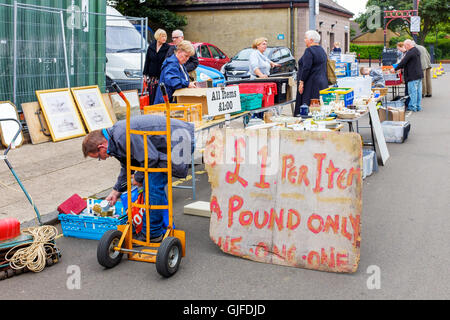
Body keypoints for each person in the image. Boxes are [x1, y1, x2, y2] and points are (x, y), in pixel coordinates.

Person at [82, 115, 194, 242]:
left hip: (180, 139)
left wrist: (139, 178)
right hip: (170, 142)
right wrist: (116, 191)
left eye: (98, 157)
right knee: (151, 185)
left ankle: (152, 234)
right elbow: (127, 165)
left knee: (152, 186)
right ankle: (161, 225)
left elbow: (150, 158)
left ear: (101, 147)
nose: (102, 159)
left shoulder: (121, 135)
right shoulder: (115, 139)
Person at [293, 30, 328, 116]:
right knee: (318, 106)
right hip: (321, 81)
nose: (304, 40)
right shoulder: (322, 50)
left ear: (311, 40)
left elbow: (306, 68)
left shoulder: (309, 50)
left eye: (305, 38)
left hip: (311, 83)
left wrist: (301, 81)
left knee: (309, 107)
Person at [154, 40, 197, 104]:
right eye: (186, 56)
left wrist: (190, 84)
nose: (187, 59)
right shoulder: (171, 64)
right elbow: (173, 81)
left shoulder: (180, 64)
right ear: (179, 52)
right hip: (166, 103)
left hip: (172, 102)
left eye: (189, 57)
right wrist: (187, 84)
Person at [394, 39, 423, 112]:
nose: (404, 47)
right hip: (418, 74)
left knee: (412, 92)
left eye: (405, 45)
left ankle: (413, 107)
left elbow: (403, 62)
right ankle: (418, 106)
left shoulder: (410, 52)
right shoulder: (416, 50)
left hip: (412, 75)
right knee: (418, 92)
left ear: (408, 45)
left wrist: (395, 69)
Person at [143, 29, 170, 105]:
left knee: (160, 95)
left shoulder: (167, 48)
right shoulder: (151, 47)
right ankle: (151, 111)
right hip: (152, 77)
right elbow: (147, 61)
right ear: (158, 37)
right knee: (151, 95)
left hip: (161, 76)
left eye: (165, 36)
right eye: (162, 36)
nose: (164, 38)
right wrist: (145, 74)